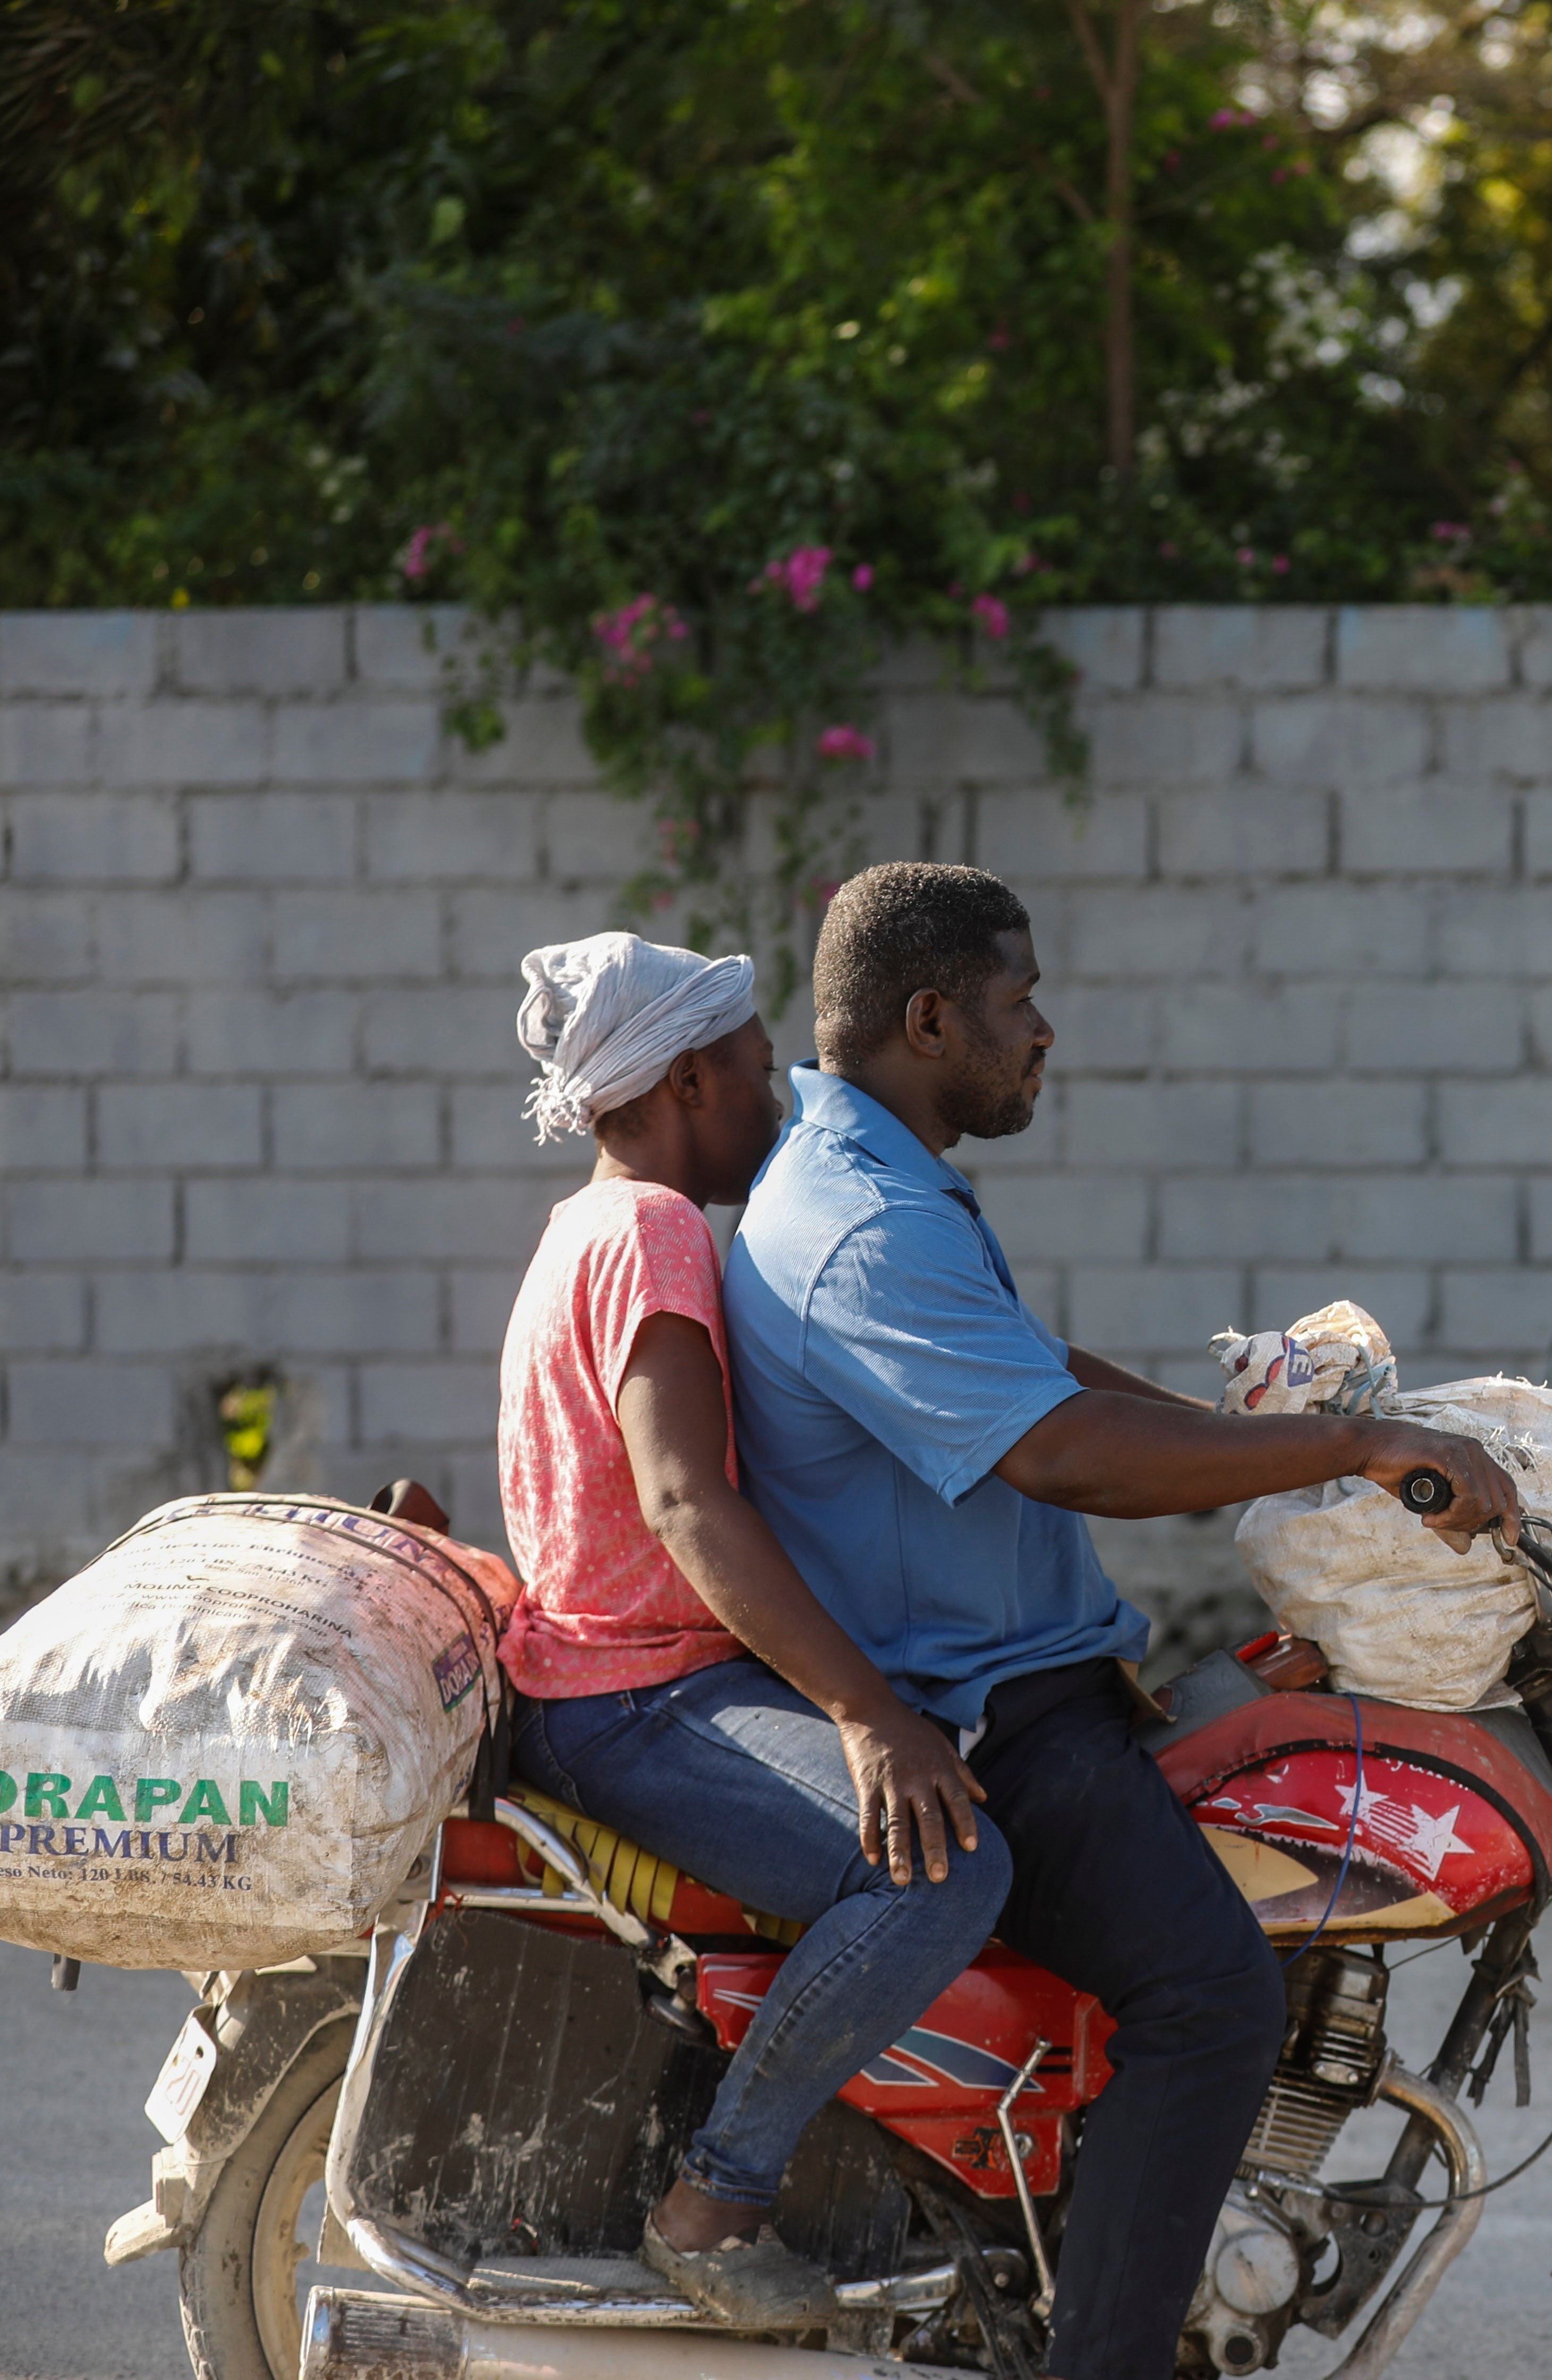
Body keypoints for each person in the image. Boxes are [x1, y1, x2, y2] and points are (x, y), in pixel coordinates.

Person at [720, 862, 1517, 2380]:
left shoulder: (884, 1180)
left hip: (1039, 1677)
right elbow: (1059, 1454)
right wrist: (1352, 1454)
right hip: (984, 1717)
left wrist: (1286, 1451)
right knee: (1214, 1990)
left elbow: (1044, 1374)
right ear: (933, 1015)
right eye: (1019, 999)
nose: (1046, 1030)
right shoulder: (865, 1227)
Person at [496, 930, 1006, 2328]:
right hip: (635, 1701)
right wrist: (868, 1716)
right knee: (945, 1872)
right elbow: (685, 1504)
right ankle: (718, 2200)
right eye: (742, 1061)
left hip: (624, 1682)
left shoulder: (583, 1226)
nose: (773, 1089)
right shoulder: (656, 1232)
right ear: (678, 1082)